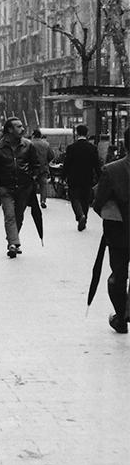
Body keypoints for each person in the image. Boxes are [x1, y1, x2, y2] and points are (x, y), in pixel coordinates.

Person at [0, 117, 41, 258]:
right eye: (18, 126)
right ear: (9, 129)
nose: (22, 129)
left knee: (19, 216)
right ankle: (13, 244)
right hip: (5, 187)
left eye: (22, 126)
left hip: (24, 188)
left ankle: (12, 239)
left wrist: (32, 178)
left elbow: (36, 165)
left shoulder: (28, 146)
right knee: (9, 215)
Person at [92, 127, 129, 333]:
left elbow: (98, 203)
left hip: (119, 232)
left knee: (119, 274)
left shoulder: (112, 170)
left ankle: (121, 318)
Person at [64, 124, 102, 231]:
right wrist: (100, 177)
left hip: (73, 178)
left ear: (77, 133)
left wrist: (63, 176)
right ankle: (84, 218)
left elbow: (67, 164)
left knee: (74, 198)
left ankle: (80, 216)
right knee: (85, 199)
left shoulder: (71, 148)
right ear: (87, 134)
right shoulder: (92, 148)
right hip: (87, 178)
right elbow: (97, 165)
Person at [31, 129, 56, 209]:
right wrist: (46, 162)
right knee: (43, 185)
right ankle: (43, 201)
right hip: (43, 168)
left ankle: (32, 200)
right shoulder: (46, 144)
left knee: (32, 185)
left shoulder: (30, 144)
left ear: (33, 135)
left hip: (32, 168)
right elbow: (51, 155)